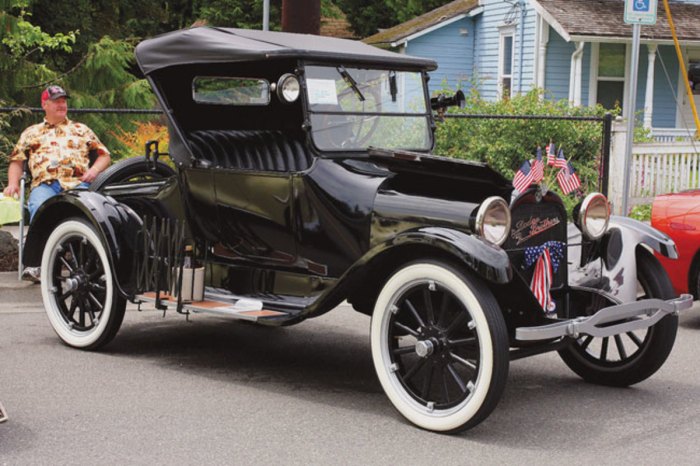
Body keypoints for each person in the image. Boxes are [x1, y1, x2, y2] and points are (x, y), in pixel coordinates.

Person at [2, 85, 111, 282]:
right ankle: (39, 265)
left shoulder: (81, 129)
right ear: (44, 104)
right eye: (57, 101)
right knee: (39, 207)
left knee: (91, 214)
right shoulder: (31, 132)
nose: (62, 105)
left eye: (64, 101)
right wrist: (13, 184)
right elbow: (17, 161)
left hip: (78, 184)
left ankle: (92, 266)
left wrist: (94, 171)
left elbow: (104, 156)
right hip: (46, 184)